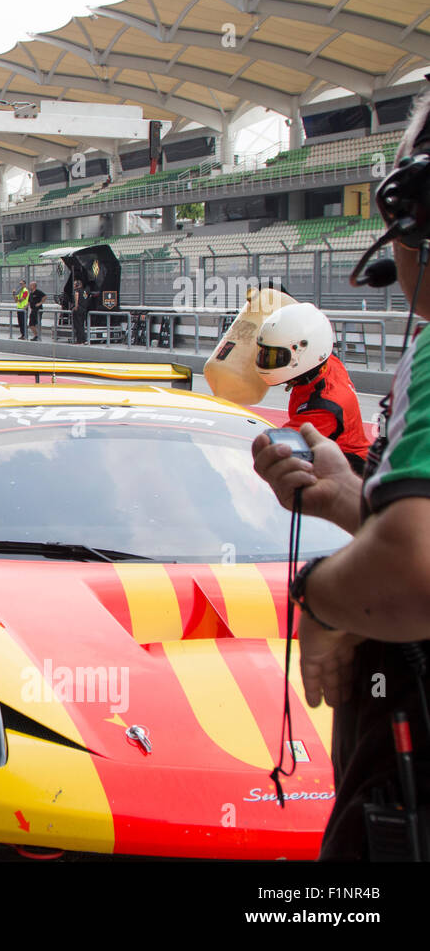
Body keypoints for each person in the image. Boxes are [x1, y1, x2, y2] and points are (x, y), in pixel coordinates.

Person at [250, 91, 430, 861]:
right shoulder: (317, 391)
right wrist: (355, 506)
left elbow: (414, 570)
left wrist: (319, 600)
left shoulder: (396, 369)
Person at [255, 302, 371, 474]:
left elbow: (273, 446)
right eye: (264, 353)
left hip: (348, 468)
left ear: (301, 354)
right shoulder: (324, 361)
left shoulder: (325, 407)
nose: (266, 360)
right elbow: (310, 331)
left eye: (275, 356)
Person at [71, 278, 89, 344]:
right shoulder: (84, 291)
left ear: (77, 285)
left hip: (79, 309)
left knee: (77, 325)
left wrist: (75, 306)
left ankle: (79, 340)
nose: (73, 286)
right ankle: (84, 339)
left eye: (74, 284)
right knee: (82, 325)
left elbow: (76, 297)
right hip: (84, 309)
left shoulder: (77, 291)